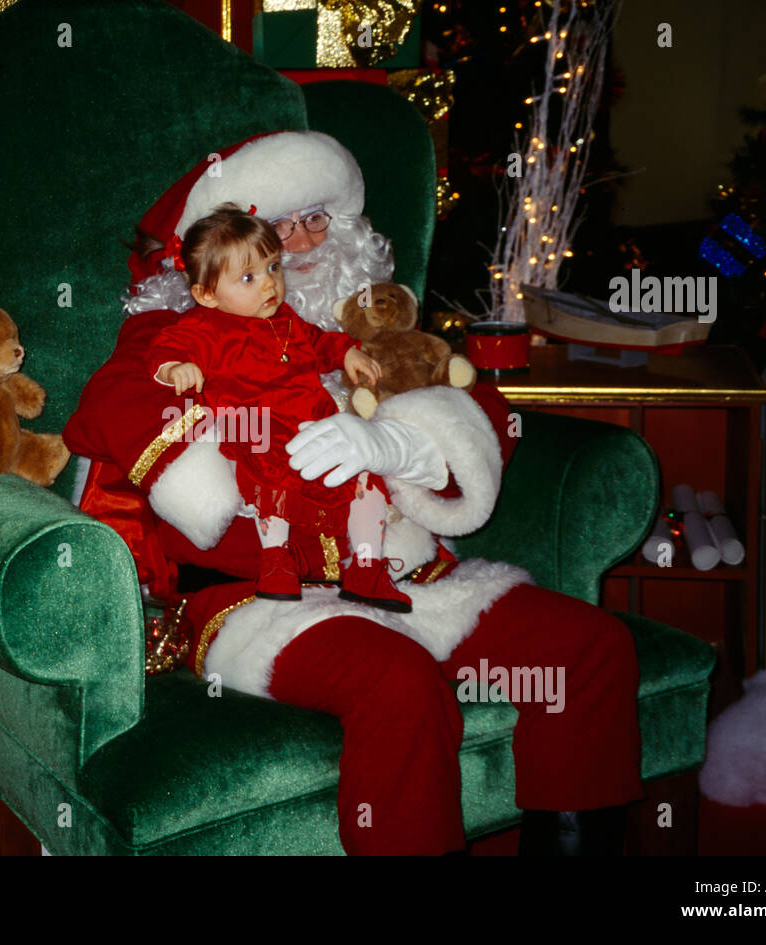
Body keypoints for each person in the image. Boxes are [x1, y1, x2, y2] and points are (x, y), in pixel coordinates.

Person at [64, 131, 642, 855]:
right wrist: (221, 480)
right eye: (278, 225)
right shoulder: (174, 335)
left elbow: (480, 406)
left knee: (590, 648)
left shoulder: (363, 327)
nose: (302, 244)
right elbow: (113, 403)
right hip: (265, 596)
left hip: (407, 576)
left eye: (318, 220)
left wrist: (402, 443)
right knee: (399, 683)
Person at [148, 205, 407, 609]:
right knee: (272, 477)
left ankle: (367, 567)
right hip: (257, 426)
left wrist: (346, 353)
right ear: (206, 294)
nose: (269, 285)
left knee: (365, 481)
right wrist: (174, 369)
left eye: (273, 268)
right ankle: (276, 560)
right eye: (248, 278)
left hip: (317, 422)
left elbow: (319, 341)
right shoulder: (204, 329)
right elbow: (164, 351)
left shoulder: (286, 319)